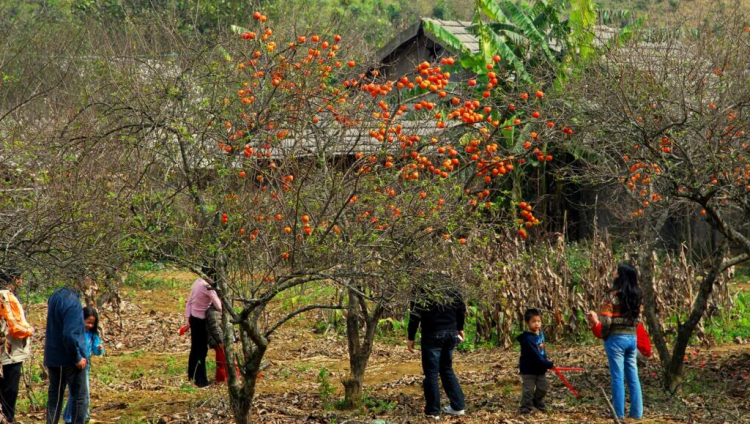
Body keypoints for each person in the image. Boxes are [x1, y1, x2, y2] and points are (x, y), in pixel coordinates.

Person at [587, 263, 644, 421]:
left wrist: (604, 335)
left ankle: (618, 413)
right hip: (632, 338)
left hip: (616, 339)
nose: (613, 272)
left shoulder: (612, 295)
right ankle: (637, 413)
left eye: (615, 271)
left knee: (617, 377)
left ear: (619, 275)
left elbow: (606, 321)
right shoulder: (637, 296)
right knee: (633, 375)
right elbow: (638, 319)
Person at [407, 289, 466, 420]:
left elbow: (415, 315)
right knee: (447, 369)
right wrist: (459, 327)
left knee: (431, 373)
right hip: (451, 333)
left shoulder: (421, 289)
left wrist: (411, 337)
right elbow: (461, 308)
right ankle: (458, 406)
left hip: (432, 334)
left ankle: (433, 412)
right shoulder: (451, 286)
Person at [45, 287, 88, 424]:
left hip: (53, 356)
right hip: (70, 359)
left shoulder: (55, 297)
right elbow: (69, 335)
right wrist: (77, 357)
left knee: (55, 398)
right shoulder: (73, 303)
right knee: (79, 398)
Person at [0, 266, 34, 423]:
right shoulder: (6, 296)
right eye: (19, 277)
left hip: (7, 350)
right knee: (10, 387)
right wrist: (29, 330)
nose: (21, 281)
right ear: (14, 278)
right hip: (11, 351)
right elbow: (14, 327)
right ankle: (8, 418)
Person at [63, 307, 103, 424]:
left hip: (85, 367)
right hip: (74, 365)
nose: (90, 325)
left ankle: (82, 416)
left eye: (92, 323)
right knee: (77, 394)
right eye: (88, 322)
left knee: (82, 394)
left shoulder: (92, 335)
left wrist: (99, 349)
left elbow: (96, 350)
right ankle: (71, 418)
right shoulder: (75, 332)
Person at [184, 278, 222, 388]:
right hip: (201, 321)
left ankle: (192, 376)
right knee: (201, 350)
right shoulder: (208, 287)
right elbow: (219, 307)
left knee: (195, 348)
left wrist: (187, 320)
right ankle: (201, 381)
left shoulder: (197, 282)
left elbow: (189, 302)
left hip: (194, 318)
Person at [517, 308, 554, 414]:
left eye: (538, 321)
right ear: (527, 323)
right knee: (528, 389)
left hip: (540, 368)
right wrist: (548, 363)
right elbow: (535, 356)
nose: (537, 324)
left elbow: (541, 351)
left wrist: (545, 362)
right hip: (529, 369)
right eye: (533, 321)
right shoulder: (528, 340)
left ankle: (537, 401)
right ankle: (526, 406)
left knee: (543, 386)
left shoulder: (540, 334)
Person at [206, 305, 228, 383]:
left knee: (224, 360)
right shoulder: (213, 312)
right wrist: (220, 341)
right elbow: (215, 328)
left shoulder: (221, 311)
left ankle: (223, 379)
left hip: (221, 340)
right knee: (222, 361)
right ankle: (222, 379)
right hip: (218, 342)